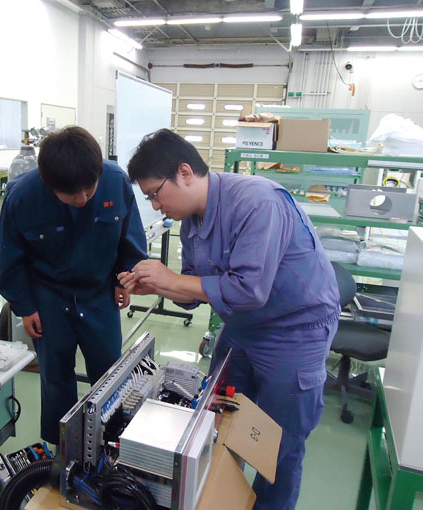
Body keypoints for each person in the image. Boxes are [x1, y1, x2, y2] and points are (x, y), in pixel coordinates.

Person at [118, 129, 340, 510]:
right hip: (242, 326)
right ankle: (221, 496)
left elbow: (249, 290)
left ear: (184, 173)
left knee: (279, 447)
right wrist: (156, 287)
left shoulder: (257, 203)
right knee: (216, 418)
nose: (155, 205)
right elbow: (195, 292)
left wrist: (171, 279)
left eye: (155, 194)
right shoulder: (192, 219)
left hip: (294, 330)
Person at [0, 126, 147, 446]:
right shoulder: (23, 196)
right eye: (71, 195)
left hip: (99, 294)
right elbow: (9, 257)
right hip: (49, 298)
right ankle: (62, 448)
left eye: (89, 191)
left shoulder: (115, 181)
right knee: (55, 378)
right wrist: (25, 307)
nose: (82, 199)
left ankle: (110, 441)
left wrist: (124, 278)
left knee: (109, 373)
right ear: (48, 182)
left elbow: (130, 237)